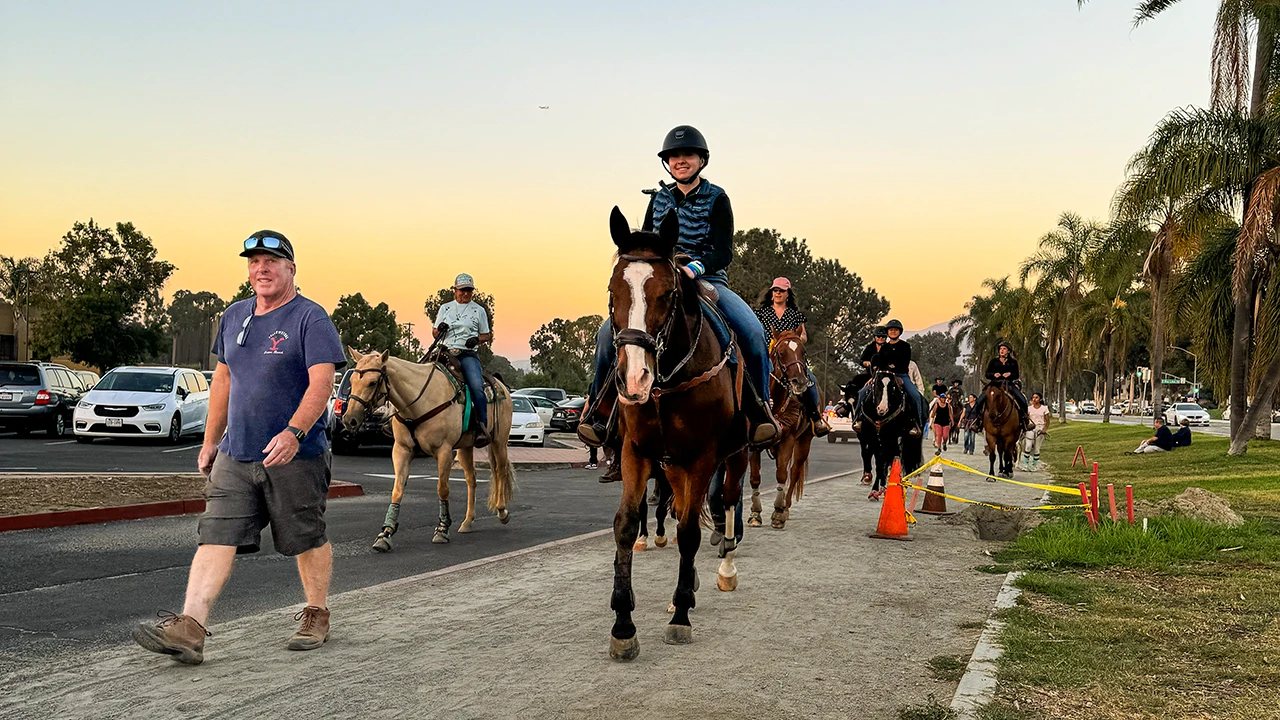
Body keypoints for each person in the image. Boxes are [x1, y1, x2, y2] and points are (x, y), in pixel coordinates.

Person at [133, 230, 345, 665]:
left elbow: (322, 382)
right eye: (254, 262)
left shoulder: (311, 318)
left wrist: (294, 432)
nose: (261, 269)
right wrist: (211, 441)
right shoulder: (234, 316)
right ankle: (190, 628)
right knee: (215, 535)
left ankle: (316, 612)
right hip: (237, 453)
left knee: (306, 538)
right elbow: (223, 381)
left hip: (295, 455)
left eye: (271, 261)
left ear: (291, 268)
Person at [580, 125, 778, 478]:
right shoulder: (658, 199)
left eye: (687, 156)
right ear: (667, 164)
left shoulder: (717, 198)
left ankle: (760, 411)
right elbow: (642, 245)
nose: (680, 161)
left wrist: (694, 268)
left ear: (701, 160)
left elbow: (723, 251)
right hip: (660, 280)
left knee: (753, 331)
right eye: (674, 157)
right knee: (604, 337)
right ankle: (599, 412)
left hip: (706, 279)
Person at [754, 276, 828, 437]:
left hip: (790, 358)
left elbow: (804, 336)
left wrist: (794, 341)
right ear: (771, 292)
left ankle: (816, 418)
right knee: (750, 377)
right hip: (767, 355)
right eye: (775, 290)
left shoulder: (795, 315)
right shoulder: (761, 314)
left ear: (788, 293)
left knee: (810, 380)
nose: (778, 293)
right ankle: (748, 418)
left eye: (781, 291)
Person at [433, 273, 493, 448]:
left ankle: (482, 427)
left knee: (476, 386)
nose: (465, 293)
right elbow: (435, 333)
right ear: (455, 291)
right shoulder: (445, 308)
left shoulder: (478, 310)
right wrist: (440, 329)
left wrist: (477, 339)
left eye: (468, 290)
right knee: (419, 376)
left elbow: (486, 334)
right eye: (462, 290)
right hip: (444, 351)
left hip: (467, 353)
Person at [853, 319, 924, 436]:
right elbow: (879, 361)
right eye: (891, 330)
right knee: (862, 392)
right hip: (883, 375)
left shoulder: (905, 346)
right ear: (888, 332)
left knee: (915, 396)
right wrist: (874, 375)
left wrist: (894, 366)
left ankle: (916, 424)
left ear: (900, 332)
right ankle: (858, 419)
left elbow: (904, 363)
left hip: (901, 376)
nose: (893, 332)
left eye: (895, 330)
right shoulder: (884, 347)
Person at [969, 342, 1033, 431]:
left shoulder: (1013, 362)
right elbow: (987, 374)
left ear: (1008, 351)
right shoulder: (993, 361)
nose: (1002, 351)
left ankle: (1025, 421)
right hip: (994, 384)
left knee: (1022, 399)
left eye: (1004, 349)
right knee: (980, 400)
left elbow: (1016, 375)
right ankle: (977, 422)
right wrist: (993, 374)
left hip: (1008, 384)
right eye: (1000, 349)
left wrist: (1010, 374)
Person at [1021, 392, 1052, 471]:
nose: (1034, 399)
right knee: (1028, 446)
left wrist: (1044, 430)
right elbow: (1026, 419)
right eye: (1033, 398)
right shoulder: (1029, 408)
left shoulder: (1044, 408)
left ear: (1040, 399)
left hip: (1040, 428)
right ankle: (1025, 464)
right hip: (1031, 428)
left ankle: (1034, 465)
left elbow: (1047, 421)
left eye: (1036, 397)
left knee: (1036, 448)